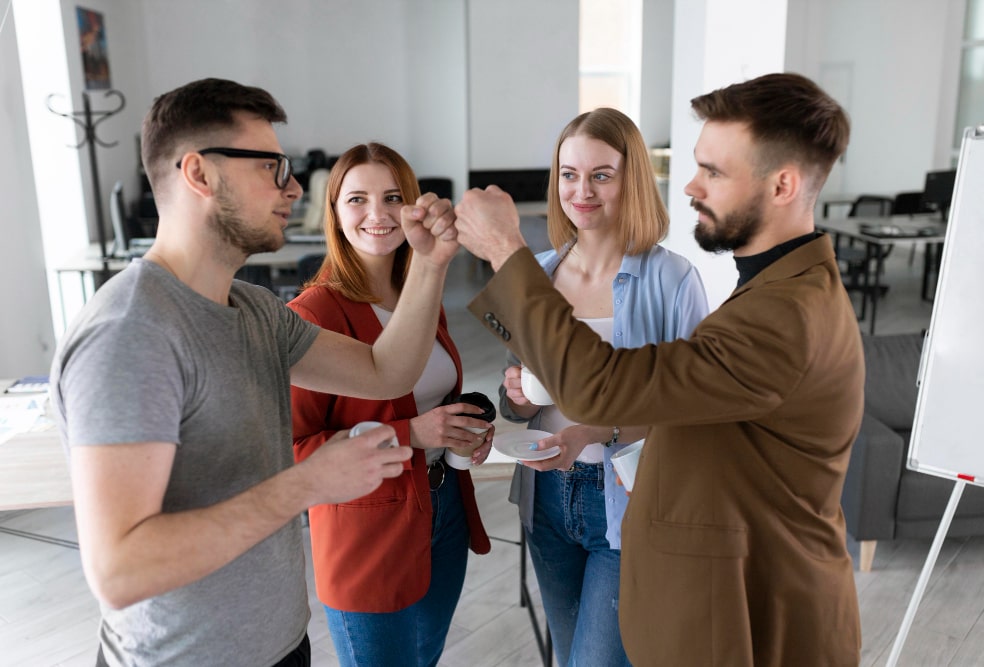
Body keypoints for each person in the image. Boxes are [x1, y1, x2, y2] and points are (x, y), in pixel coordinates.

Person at [454, 72, 864, 666]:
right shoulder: (778, 293)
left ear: (782, 185)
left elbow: (603, 389)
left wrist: (503, 251)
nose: (692, 187)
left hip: (753, 611)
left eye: (715, 172)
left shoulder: (783, 317)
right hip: (689, 571)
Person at [49, 78, 459, 667]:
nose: (293, 187)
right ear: (199, 174)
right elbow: (120, 570)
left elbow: (385, 370)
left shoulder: (256, 310)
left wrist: (429, 263)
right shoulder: (132, 332)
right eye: (272, 166)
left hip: (281, 644)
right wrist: (311, 481)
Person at [497, 108, 708, 666]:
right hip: (545, 495)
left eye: (601, 175)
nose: (581, 190)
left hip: (626, 499)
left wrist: (594, 429)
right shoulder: (536, 275)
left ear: (630, 178)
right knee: (568, 657)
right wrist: (514, 391)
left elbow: (694, 409)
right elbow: (516, 398)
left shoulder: (671, 279)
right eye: (569, 174)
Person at [287, 142, 492, 666]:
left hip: (442, 508)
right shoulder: (311, 316)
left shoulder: (419, 297)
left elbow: (434, 399)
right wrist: (413, 435)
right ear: (333, 212)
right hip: (366, 532)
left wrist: (462, 431)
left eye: (392, 197)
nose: (376, 215)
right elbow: (289, 451)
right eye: (356, 199)